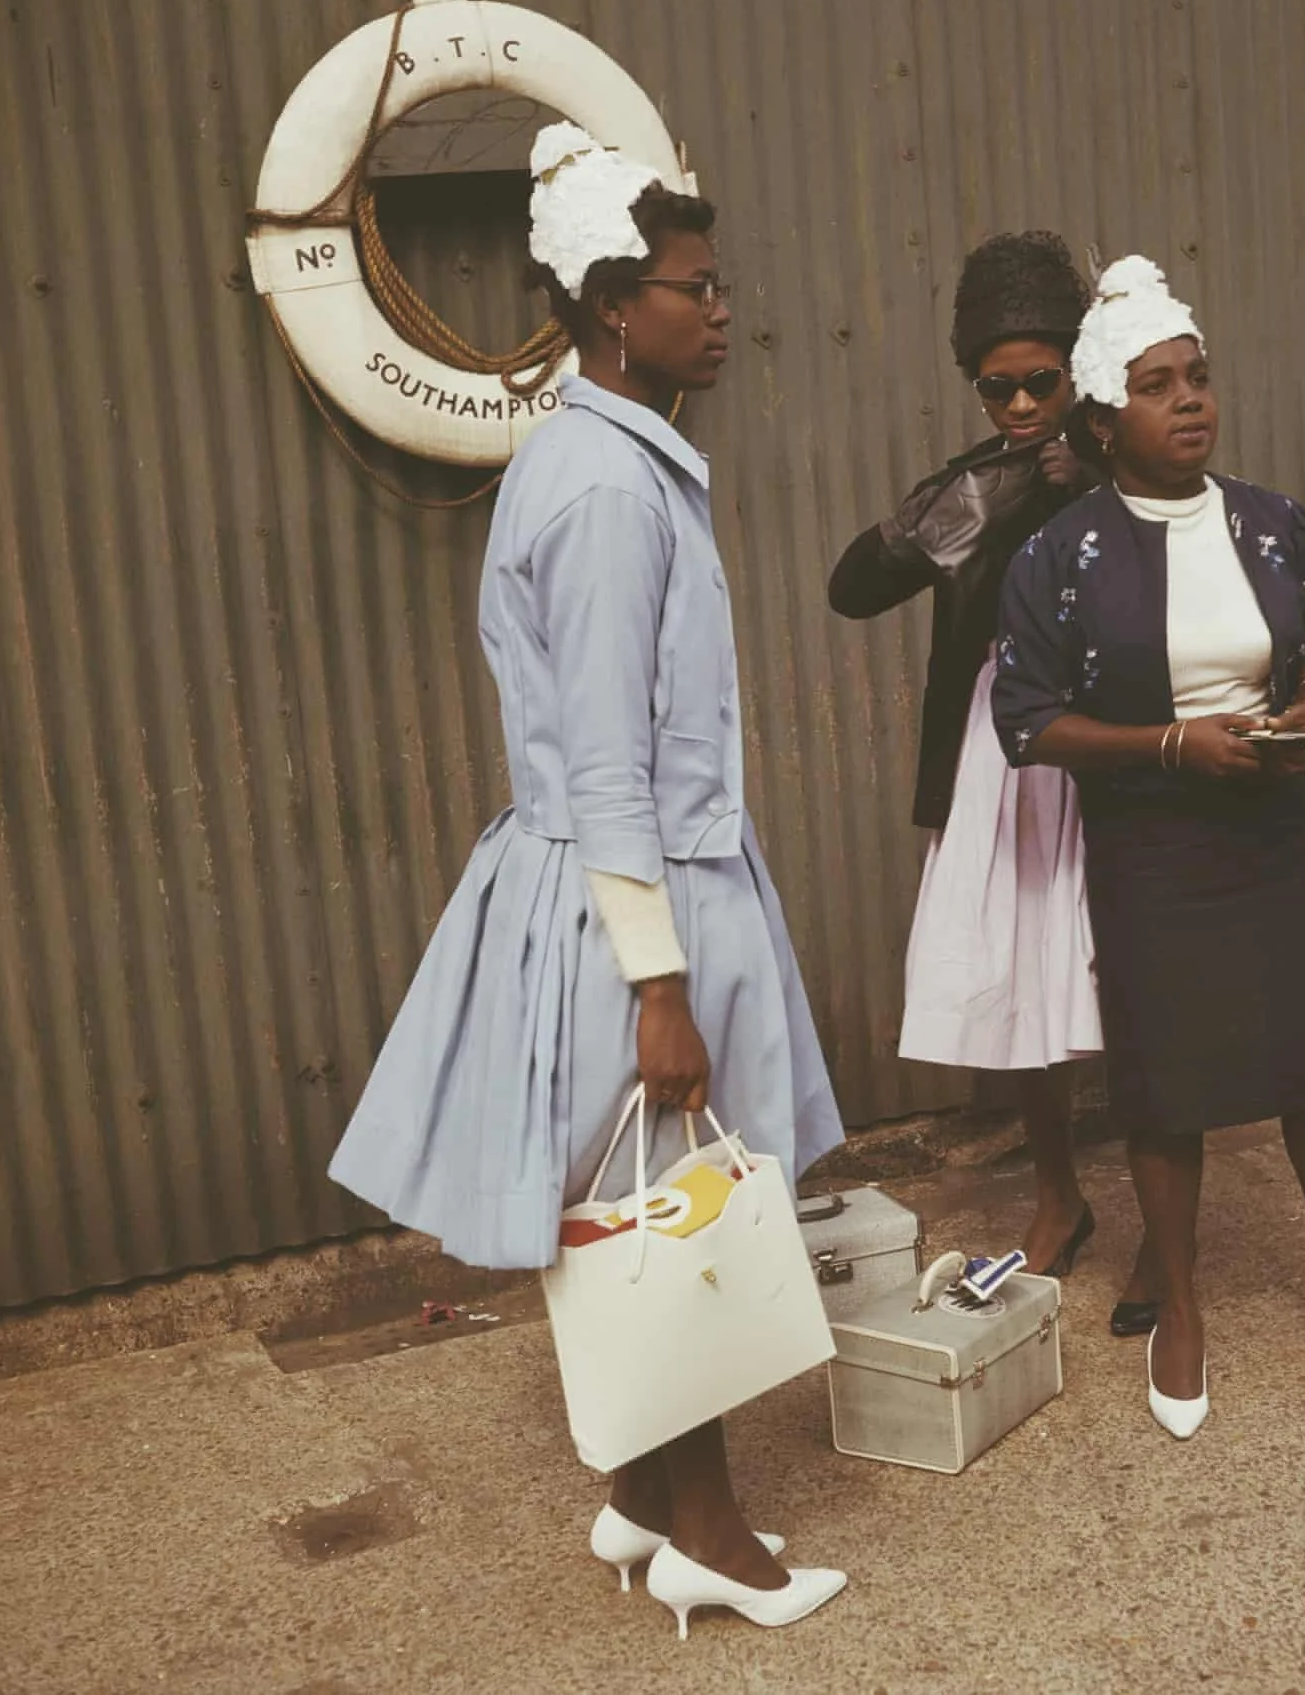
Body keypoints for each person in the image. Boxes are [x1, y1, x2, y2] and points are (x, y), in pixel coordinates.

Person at [328, 124, 847, 1632]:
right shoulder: (611, 493)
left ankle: (636, 1497)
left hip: (614, 877)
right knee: (675, 1217)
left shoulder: (586, 455)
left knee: (644, 1206)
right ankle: (708, 1531)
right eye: (696, 285)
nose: (725, 307)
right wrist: (663, 984)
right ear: (617, 304)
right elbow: (612, 760)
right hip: (639, 896)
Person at [993, 255, 1305, 1440]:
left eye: (1199, 379)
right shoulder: (1059, 557)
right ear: (1105, 418)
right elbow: (1027, 722)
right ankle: (1181, 1307)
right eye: (1159, 386)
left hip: (1268, 825)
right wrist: (1171, 749)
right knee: (1162, 1089)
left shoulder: (1275, 525)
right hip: (1150, 842)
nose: (1190, 404)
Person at [828, 231, 1103, 1279]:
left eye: (1041, 382)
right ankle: (1057, 1202)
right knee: (1018, 970)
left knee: (1145, 977)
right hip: (1009, 761)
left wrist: (1090, 483)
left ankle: (1170, 1240)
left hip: (1118, 746)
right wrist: (957, 511)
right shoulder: (981, 481)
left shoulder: (1133, 462)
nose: (1023, 407)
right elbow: (850, 588)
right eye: (998, 390)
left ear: (1081, 368)